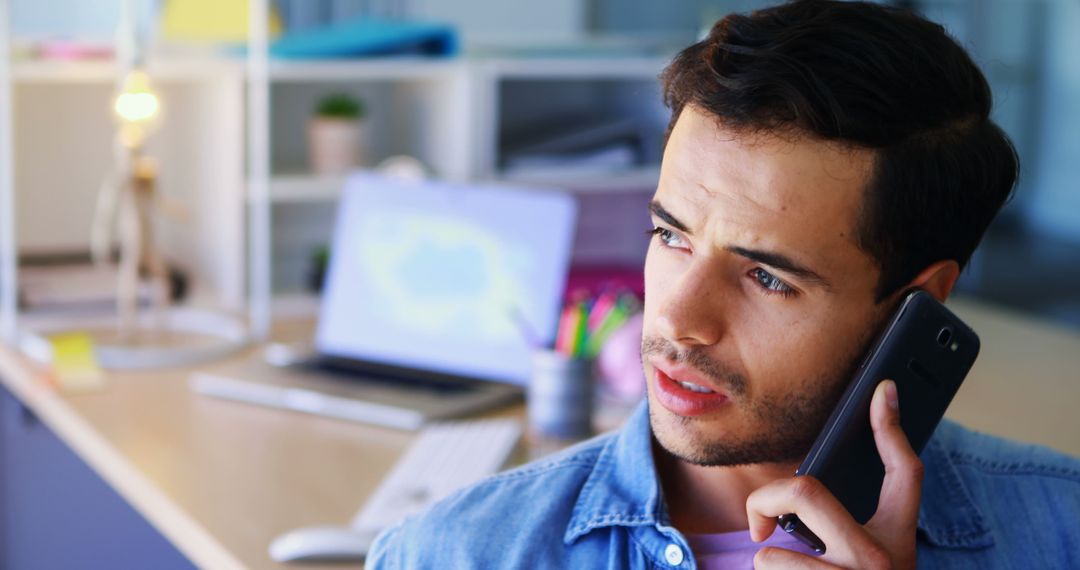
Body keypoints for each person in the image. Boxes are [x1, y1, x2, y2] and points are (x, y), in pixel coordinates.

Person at [366, 1, 1080, 568]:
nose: (676, 319)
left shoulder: (1062, 532)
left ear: (919, 305)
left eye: (766, 276)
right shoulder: (450, 553)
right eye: (671, 236)